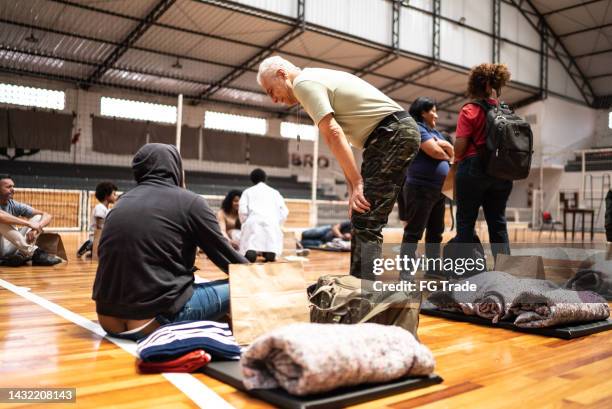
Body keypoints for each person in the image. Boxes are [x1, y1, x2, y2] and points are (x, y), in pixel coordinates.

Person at [257, 56, 420, 279]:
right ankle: (363, 292)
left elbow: (333, 133)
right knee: (363, 215)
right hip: (391, 134)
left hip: (391, 133)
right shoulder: (313, 77)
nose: (273, 99)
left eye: (269, 91)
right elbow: (339, 142)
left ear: (282, 74)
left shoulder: (303, 83)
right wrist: (353, 188)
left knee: (366, 218)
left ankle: (364, 298)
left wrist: (358, 181)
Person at [92, 144, 248, 341]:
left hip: (107, 321)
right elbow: (230, 262)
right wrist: (265, 277)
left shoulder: (121, 202)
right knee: (244, 283)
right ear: (174, 167)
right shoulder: (190, 202)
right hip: (154, 320)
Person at [453, 63, 513, 259]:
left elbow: (460, 149)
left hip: (473, 169)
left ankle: (466, 272)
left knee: (465, 222)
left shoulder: (470, 110)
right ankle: (505, 274)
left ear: (475, 84)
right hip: (502, 172)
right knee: (498, 223)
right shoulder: (505, 111)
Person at [398, 97, 453, 278]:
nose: (436, 115)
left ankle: (433, 269)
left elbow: (451, 152)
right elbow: (435, 151)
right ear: (423, 112)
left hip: (439, 190)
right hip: (420, 188)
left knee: (436, 233)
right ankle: (405, 273)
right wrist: (446, 151)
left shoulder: (434, 132)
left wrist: (447, 149)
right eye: (433, 111)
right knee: (413, 233)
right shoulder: (417, 128)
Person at [0, 174, 61, 267]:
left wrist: (35, 229)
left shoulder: (13, 204)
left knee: (37, 217)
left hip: (8, 248)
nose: (13, 190)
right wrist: (29, 224)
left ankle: (21, 255)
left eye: (13, 186)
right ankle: (32, 252)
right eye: (8, 187)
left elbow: (47, 215)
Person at [239, 168, 288, 263]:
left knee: (250, 244)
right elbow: (284, 211)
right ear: (265, 179)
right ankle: (270, 253)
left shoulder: (247, 192)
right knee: (270, 244)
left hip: (253, 220)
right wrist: (278, 223)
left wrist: (245, 223)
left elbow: (242, 211)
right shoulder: (275, 192)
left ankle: (251, 252)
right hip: (271, 222)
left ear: (252, 180)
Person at [77, 181, 118, 257]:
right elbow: (99, 227)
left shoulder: (106, 209)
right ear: (107, 196)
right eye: (114, 194)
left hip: (102, 237)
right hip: (97, 238)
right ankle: (91, 245)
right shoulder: (100, 208)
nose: (116, 196)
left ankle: (93, 249)